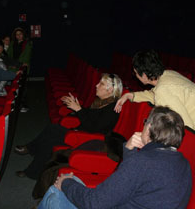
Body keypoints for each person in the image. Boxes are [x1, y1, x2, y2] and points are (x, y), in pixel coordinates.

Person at [38, 106, 192, 209]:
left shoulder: (142, 163)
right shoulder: (183, 163)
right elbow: (135, 182)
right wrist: (129, 149)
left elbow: (95, 202)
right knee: (72, 184)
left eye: (145, 123)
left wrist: (66, 183)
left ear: (149, 128)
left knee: (57, 193)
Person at [15, 73, 123, 179]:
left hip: (91, 140)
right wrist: (78, 107)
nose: (96, 85)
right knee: (52, 129)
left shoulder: (113, 109)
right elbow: (91, 118)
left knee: (52, 137)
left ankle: (31, 160)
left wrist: (78, 109)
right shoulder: (101, 102)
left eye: (101, 84)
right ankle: (31, 151)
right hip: (83, 133)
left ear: (110, 90)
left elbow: (94, 129)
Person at [114, 49, 195, 131]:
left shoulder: (163, 90)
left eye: (135, 73)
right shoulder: (169, 74)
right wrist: (129, 95)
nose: (135, 76)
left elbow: (185, 127)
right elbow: (154, 94)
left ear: (144, 76)